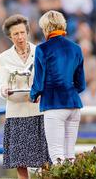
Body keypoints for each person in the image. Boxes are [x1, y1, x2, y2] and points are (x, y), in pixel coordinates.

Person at [0, 14, 51, 179]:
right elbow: (2, 84)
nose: (20, 37)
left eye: (22, 33)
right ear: (10, 37)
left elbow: (45, 80)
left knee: (45, 159)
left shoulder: (40, 52)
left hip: (38, 110)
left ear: (27, 32)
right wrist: (4, 90)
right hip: (16, 111)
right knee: (21, 162)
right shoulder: (4, 57)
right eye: (15, 34)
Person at [30, 10, 86, 163]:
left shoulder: (42, 48)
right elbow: (81, 84)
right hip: (74, 105)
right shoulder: (76, 48)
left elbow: (39, 82)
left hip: (54, 104)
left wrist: (33, 95)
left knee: (57, 155)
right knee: (70, 155)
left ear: (46, 28)